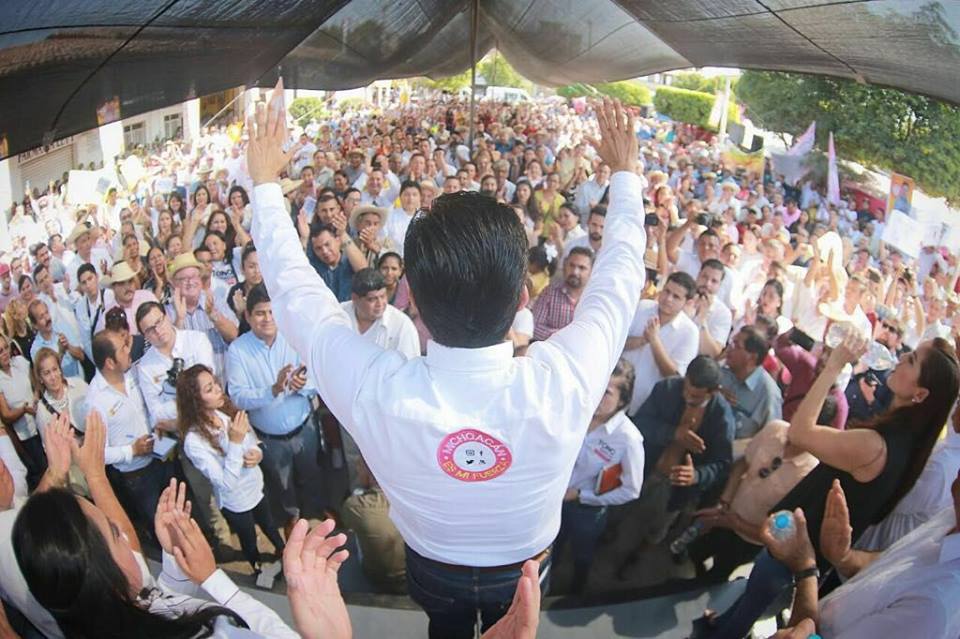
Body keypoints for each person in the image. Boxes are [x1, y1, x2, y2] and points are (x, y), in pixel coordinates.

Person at [248, 87, 642, 637]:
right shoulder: (565, 379)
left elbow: (295, 296)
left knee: (445, 626)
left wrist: (264, 185)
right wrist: (625, 174)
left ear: (416, 305)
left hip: (431, 566)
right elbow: (620, 277)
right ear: (523, 302)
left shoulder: (376, 388)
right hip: (527, 569)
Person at [699, 335, 960, 639]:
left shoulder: (875, 446)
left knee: (745, 613)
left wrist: (834, 365)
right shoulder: (910, 445)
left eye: (912, 360)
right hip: (808, 556)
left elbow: (799, 432)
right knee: (750, 603)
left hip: (794, 551)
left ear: (919, 394)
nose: (901, 358)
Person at [11, 415, 304, 638]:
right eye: (115, 533)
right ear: (107, 581)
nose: (127, 536)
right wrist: (213, 579)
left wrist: (174, 560)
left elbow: (158, 601)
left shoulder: (117, 615)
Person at [756, 478, 960, 639]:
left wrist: (805, 568)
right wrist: (844, 557)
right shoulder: (952, 515)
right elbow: (892, 567)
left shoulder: (934, 609)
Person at [689, 398, 837, 583]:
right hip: (724, 514)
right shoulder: (775, 429)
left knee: (717, 575)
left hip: (748, 540)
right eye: (798, 412)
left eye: (803, 421)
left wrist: (734, 523)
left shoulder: (810, 473)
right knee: (695, 551)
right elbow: (743, 464)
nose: (795, 420)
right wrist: (724, 502)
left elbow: (782, 529)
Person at [226, 283, 326, 536]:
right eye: (260, 313)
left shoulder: (295, 337)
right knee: (282, 484)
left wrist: (303, 386)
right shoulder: (238, 350)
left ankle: (314, 516)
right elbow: (237, 397)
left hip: (305, 428)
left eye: (272, 312)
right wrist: (272, 389)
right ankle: (292, 520)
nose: (267, 319)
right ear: (247, 316)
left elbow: (319, 377)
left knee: (311, 474)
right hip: (270, 438)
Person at [176, 364, 285, 573]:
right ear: (195, 400)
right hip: (236, 500)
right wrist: (235, 442)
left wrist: (256, 453)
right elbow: (225, 483)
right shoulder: (194, 441)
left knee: (269, 523)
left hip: (254, 485)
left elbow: (252, 439)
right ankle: (258, 569)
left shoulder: (225, 410)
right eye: (209, 389)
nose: (218, 389)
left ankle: (282, 550)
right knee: (249, 538)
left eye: (215, 383)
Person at [625, 356, 734, 551]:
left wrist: (697, 475)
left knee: (656, 528)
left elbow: (722, 464)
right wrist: (672, 433)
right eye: (686, 390)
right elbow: (639, 424)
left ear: (714, 391)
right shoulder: (666, 389)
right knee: (621, 510)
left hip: (677, 490)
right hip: (643, 469)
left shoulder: (722, 419)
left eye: (696, 397)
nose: (687, 397)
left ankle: (636, 556)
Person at [554, 358, 644, 593]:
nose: (597, 396)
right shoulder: (576, 412)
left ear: (622, 400)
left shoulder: (628, 439)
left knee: (582, 554)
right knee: (552, 547)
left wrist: (582, 496)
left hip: (587, 512)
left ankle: (577, 590)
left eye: (606, 393)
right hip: (553, 501)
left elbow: (631, 489)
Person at [87, 328, 174, 528]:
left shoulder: (134, 373)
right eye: (122, 348)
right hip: (138, 478)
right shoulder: (95, 402)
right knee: (161, 526)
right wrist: (132, 450)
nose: (129, 350)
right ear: (109, 362)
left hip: (163, 456)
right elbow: (99, 453)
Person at [623, 271, 699, 415]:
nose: (668, 299)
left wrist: (654, 341)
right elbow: (617, 344)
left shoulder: (689, 332)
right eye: (667, 291)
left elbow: (675, 375)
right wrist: (642, 340)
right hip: (615, 393)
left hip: (647, 407)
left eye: (676, 297)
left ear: (687, 303)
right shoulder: (642, 307)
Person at [341, 456, 407, 595]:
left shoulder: (355, 505)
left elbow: (346, 522)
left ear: (370, 472)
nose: (357, 472)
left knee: (351, 537)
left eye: (359, 468)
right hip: (411, 575)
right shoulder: (412, 500)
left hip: (376, 578)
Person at [167, 253, 238, 380]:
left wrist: (214, 316)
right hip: (190, 386)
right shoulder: (168, 312)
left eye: (194, 276)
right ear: (174, 284)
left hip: (222, 381)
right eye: (183, 279)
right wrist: (180, 319)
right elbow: (168, 351)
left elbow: (234, 336)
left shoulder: (215, 301)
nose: (190, 282)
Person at [719, 326, 783, 439]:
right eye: (731, 343)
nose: (729, 348)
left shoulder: (768, 394)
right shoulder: (723, 372)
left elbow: (771, 440)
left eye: (736, 346)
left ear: (752, 358)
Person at [341, 268, 420, 359]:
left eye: (383, 296)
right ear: (355, 298)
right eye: (372, 299)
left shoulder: (401, 325)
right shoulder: (339, 315)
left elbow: (410, 366)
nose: (380, 304)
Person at [0, 334, 45, 487]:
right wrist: (24, 410)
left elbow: (36, 383)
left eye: (6, 348)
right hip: (24, 435)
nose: (5, 353)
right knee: (42, 471)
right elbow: (5, 415)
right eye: (0, 351)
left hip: (40, 421)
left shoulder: (20, 362)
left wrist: (36, 396)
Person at [531, 246, 595, 341]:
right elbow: (535, 327)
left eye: (582, 268)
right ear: (565, 266)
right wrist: (568, 337)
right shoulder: (549, 293)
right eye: (571, 265)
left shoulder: (594, 300)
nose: (575, 272)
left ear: (591, 271)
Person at [28, 298, 85, 379]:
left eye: (46, 313)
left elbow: (81, 356)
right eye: (41, 317)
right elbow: (48, 377)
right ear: (35, 325)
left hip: (79, 380)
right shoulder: (36, 349)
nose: (47, 318)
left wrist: (68, 346)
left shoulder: (63, 326)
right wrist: (61, 353)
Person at [74, 262, 115, 365]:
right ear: (80, 286)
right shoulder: (80, 307)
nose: (88, 285)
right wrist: (98, 362)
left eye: (90, 279)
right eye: (83, 283)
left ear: (96, 277)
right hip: (98, 354)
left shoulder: (109, 295)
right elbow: (86, 341)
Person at [306, 223, 356, 302]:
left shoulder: (351, 262)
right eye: (318, 248)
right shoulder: (314, 269)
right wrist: (304, 238)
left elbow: (363, 269)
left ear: (338, 241)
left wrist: (343, 233)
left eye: (327, 244)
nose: (324, 251)